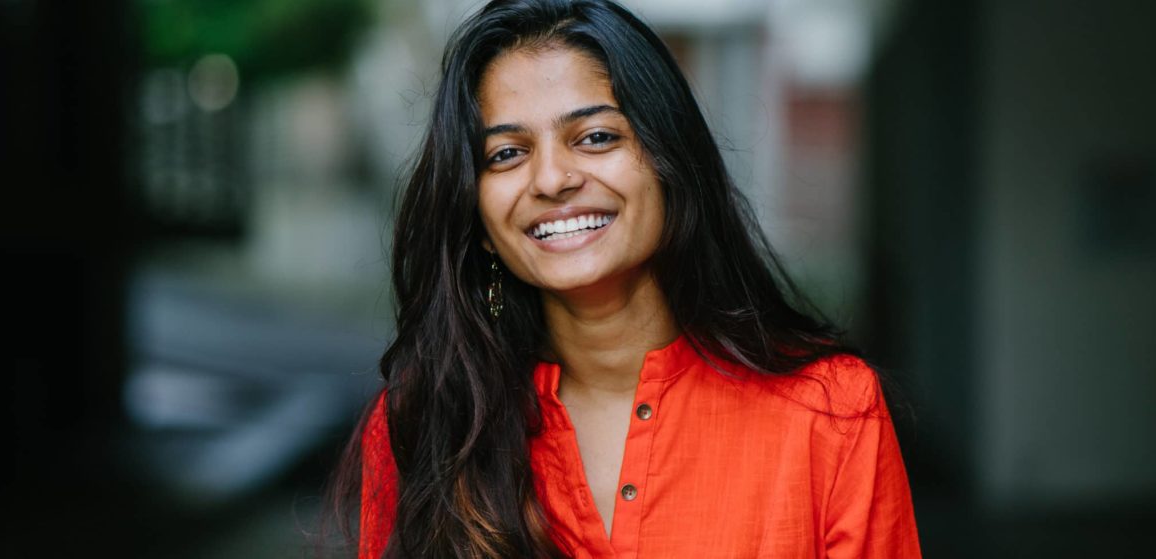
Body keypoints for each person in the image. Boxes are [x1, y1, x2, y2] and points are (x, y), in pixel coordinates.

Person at [332, 0, 921, 557]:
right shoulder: (428, 423)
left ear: (672, 165)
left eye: (595, 138)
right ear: (478, 218)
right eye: (506, 154)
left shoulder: (832, 411)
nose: (553, 179)